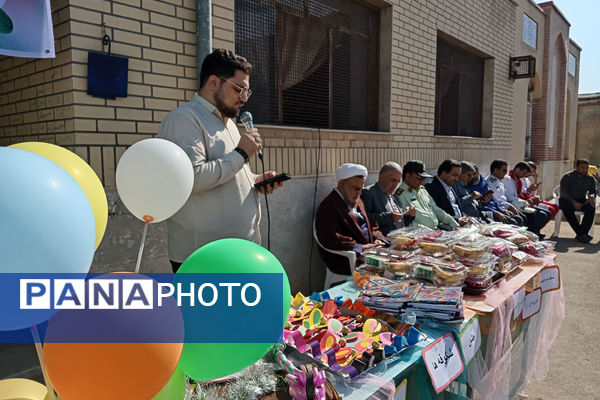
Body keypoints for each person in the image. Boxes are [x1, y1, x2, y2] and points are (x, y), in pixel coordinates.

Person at [158, 49, 283, 272]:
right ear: (213, 82)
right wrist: (242, 154)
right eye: (238, 89)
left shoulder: (231, 125)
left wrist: (254, 181)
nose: (244, 98)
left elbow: (228, 172)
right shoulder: (184, 119)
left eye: (247, 91)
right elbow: (191, 178)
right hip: (204, 259)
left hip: (237, 251)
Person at [315, 163, 389, 275]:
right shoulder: (329, 206)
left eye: (361, 189)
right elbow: (330, 238)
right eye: (355, 188)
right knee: (389, 270)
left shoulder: (357, 200)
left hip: (370, 250)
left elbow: (372, 225)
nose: (359, 193)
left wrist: (378, 239)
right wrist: (360, 247)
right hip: (346, 259)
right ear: (342, 183)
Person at [486, 160, 547, 235]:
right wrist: (509, 206)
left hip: (506, 206)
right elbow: (496, 200)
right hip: (499, 208)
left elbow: (505, 196)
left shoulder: (500, 180)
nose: (506, 173)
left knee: (528, 215)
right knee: (520, 218)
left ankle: (530, 236)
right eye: (504, 170)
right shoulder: (490, 182)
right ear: (495, 170)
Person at [396, 160, 459, 230]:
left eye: (423, 179)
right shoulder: (400, 194)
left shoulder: (422, 190)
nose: (422, 182)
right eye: (419, 178)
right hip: (419, 234)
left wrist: (454, 223)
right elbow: (405, 222)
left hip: (435, 231)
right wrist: (428, 231)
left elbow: (436, 210)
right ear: (407, 176)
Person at [360, 162, 416, 235]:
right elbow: (364, 219)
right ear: (381, 177)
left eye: (398, 182)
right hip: (384, 240)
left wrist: (409, 216)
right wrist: (389, 217)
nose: (395, 185)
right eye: (393, 180)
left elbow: (401, 222)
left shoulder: (395, 196)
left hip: (402, 238)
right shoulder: (369, 193)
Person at [559, 159, 597, 243]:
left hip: (581, 199)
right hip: (567, 200)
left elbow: (593, 191)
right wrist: (573, 202)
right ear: (576, 167)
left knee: (591, 206)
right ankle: (581, 234)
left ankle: (583, 233)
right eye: (582, 167)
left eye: (586, 168)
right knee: (566, 207)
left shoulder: (590, 178)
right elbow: (563, 192)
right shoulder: (567, 177)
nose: (584, 170)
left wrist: (591, 197)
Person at [425, 159, 470, 226]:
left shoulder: (449, 185)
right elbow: (436, 213)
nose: (457, 179)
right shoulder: (431, 187)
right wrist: (457, 220)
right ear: (444, 173)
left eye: (458, 176)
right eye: (454, 175)